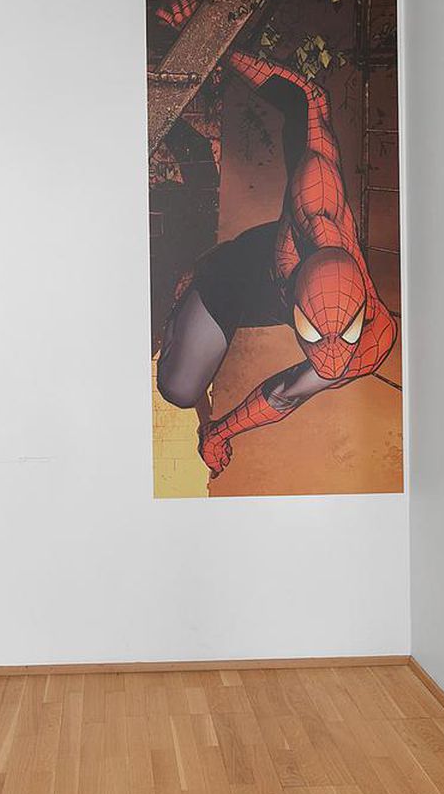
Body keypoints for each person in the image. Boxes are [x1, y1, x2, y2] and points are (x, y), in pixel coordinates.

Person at [156, 51, 396, 477]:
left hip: (273, 299)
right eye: (317, 337)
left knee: (188, 392)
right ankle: (191, 279)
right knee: (178, 388)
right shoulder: (315, 200)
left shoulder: (367, 340)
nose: (331, 357)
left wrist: (218, 434)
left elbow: (287, 392)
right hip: (240, 271)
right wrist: (218, 47)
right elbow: (308, 98)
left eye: (339, 340)